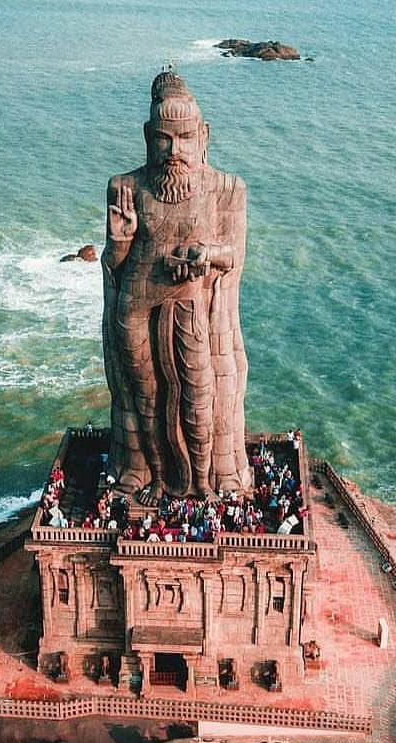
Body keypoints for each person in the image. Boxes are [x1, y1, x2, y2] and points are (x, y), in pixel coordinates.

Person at [102, 70, 251, 499]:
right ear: (148, 137)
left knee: (199, 396)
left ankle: (203, 481)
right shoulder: (125, 187)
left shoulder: (225, 188)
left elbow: (233, 255)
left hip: (189, 303)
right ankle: (155, 476)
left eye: (185, 138)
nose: (174, 151)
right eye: (163, 139)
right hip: (134, 307)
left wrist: (208, 255)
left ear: (204, 135)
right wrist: (120, 241)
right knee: (144, 398)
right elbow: (115, 266)